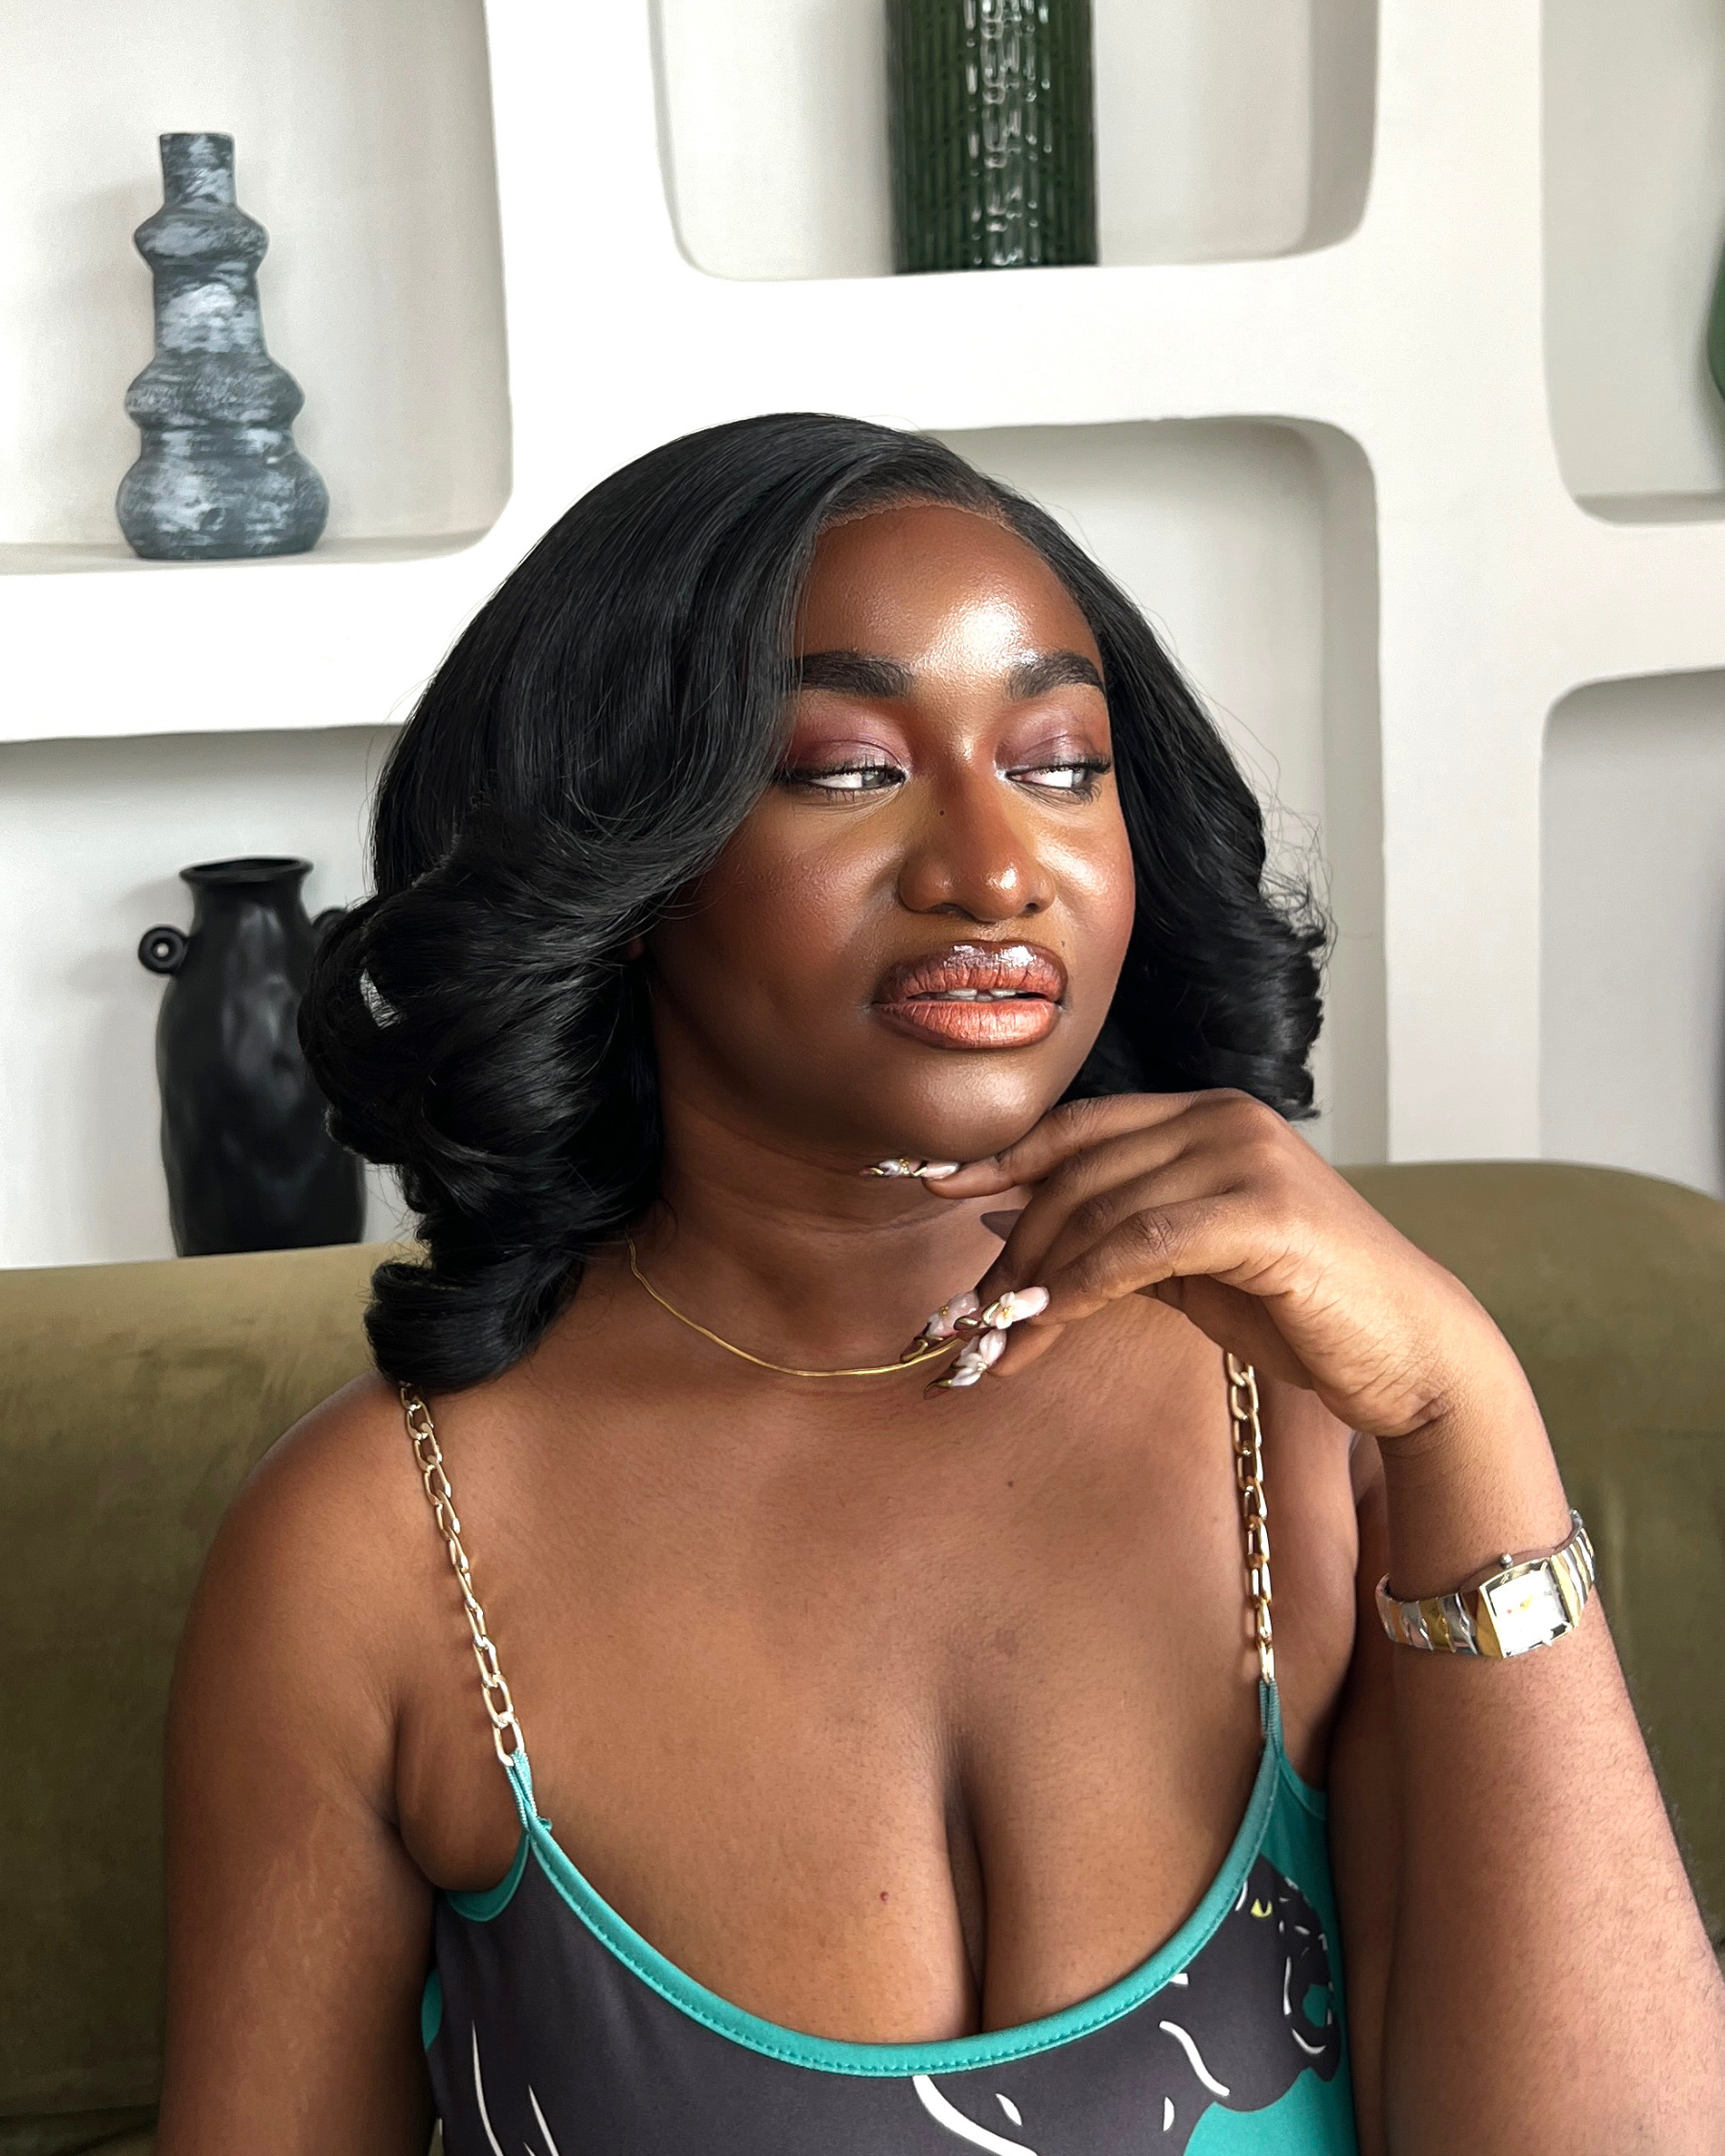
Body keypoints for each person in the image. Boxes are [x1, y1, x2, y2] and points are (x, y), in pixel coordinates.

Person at [156, 414, 1725, 2156]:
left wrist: (1461, 1405)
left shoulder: (1314, 1427)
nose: (993, 867)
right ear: (621, 860)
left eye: (1061, 760)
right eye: (846, 769)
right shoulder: (376, 1554)